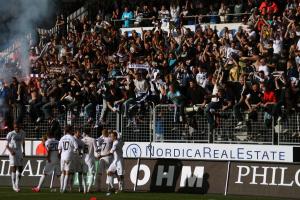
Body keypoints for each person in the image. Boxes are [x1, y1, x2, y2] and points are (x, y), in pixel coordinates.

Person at [100, 131, 124, 196]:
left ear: (115, 137)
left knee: (120, 175)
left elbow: (111, 152)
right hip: (115, 161)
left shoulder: (115, 143)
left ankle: (121, 188)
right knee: (109, 172)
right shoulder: (118, 141)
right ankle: (112, 188)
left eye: (112, 136)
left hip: (119, 161)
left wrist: (102, 155)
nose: (111, 137)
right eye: (110, 136)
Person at [58, 125, 78, 193]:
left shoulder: (62, 138)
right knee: (67, 173)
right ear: (70, 130)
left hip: (62, 156)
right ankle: (64, 189)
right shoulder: (72, 138)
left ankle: (61, 188)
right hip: (69, 156)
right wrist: (74, 152)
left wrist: (59, 155)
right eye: (72, 130)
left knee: (62, 172)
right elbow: (76, 147)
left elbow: (59, 148)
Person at [6, 123, 25, 192]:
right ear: (14, 127)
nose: (16, 128)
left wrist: (24, 151)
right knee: (14, 167)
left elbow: (23, 141)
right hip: (13, 151)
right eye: (15, 127)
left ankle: (17, 184)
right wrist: (11, 151)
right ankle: (13, 185)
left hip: (19, 151)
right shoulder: (10, 134)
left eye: (18, 127)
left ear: (20, 127)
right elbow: (7, 145)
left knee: (20, 168)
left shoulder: (23, 132)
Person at [81, 127, 97, 193]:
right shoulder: (93, 139)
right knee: (92, 173)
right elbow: (96, 149)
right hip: (90, 158)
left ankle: (84, 188)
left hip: (84, 158)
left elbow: (80, 150)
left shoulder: (82, 140)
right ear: (90, 132)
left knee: (84, 173)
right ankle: (89, 188)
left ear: (84, 133)